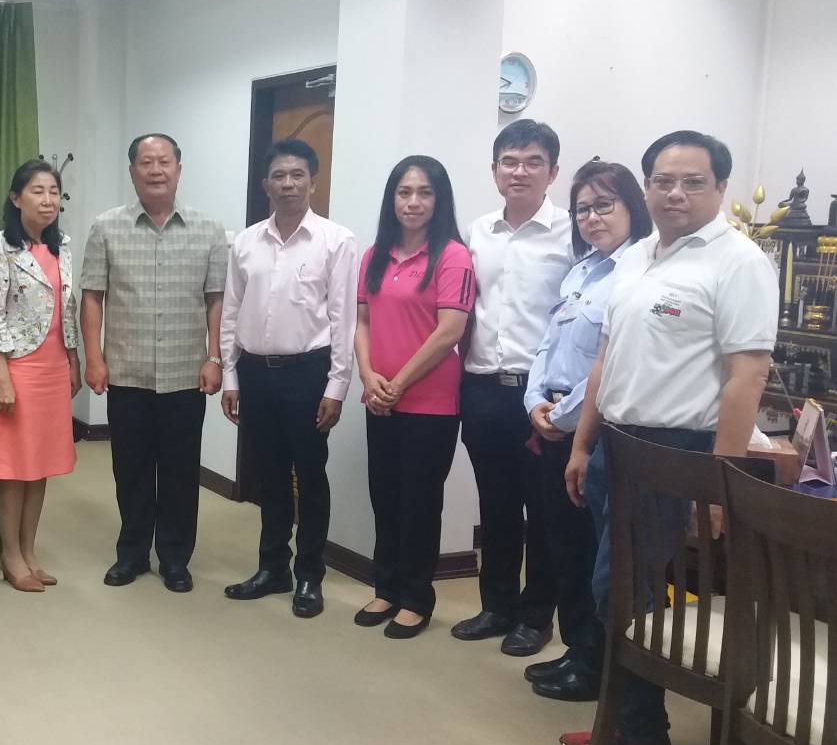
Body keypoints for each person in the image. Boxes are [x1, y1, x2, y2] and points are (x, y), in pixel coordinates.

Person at [553, 130, 777, 745]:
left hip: (676, 453)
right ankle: (628, 723)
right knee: (625, 591)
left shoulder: (738, 262)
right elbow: (606, 357)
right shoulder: (636, 257)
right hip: (616, 446)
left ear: (720, 187)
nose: (676, 193)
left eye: (693, 182)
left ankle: (641, 738)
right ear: (646, 187)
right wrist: (582, 443)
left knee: (619, 592)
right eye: (663, 181)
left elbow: (747, 376)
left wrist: (718, 483)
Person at [520, 160, 651, 703]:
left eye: (603, 205)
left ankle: (597, 663)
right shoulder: (581, 272)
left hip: (594, 432)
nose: (592, 218)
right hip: (554, 422)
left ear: (631, 207)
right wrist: (534, 402)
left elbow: (610, 362)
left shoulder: (638, 272)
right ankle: (577, 649)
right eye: (582, 209)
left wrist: (565, 419)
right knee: (563, 547)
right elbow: (547, 346)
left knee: (595, 552)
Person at [82, 133, 228, 593]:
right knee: (131, 469)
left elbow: (217, 300)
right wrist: (94, 358)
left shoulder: (209, 230)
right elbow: (92, 297)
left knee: (181, 471)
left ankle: (175, 558)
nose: (156, 170)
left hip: (186, 372)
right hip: (128, 371)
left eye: (164, 161)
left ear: (179, 170)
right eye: (146, 162)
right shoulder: (106, 227)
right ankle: (131, 553)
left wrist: (214, 357)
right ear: (132, 172)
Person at [219, 139, 357, 618]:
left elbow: (343, 319)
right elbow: (231, 311)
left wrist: (337, 386)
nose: (288, 183)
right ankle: (272, 566)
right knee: (270, 475)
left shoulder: (336, 241)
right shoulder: (245, 242)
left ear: (313, 182)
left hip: (308, 374)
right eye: (279, 175)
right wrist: (231, 375)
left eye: (298, 175)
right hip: (256, 373)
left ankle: (309, 575)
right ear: (266, 185)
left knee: (310, 476)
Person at [452, 119, 573, 657]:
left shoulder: (571, 232)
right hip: (482, 387)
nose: (519, 171)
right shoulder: (477, 232)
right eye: (510, 161)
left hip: (542, 396)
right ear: (495, 169)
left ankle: (535, 615)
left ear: (553, 171)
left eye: (532, 162)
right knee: (496, 503)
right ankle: (496, 605)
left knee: (543, 509)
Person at [353, 156, 475, 639]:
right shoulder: (374, 255)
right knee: (384, 496)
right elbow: (362, 322)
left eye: (424, 192)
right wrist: (368, 376)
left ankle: (416, 598)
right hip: (379, 397)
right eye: (404, 192)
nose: (413, 202)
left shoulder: (453, 256)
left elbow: (450, 331)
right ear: (392, 199)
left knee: (420, 502)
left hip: (431, 404)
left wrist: (398, 382)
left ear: (439, 200)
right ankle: (386, 587)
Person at [0, 160, 80, 592]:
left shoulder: (63, 246)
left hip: (55, 366)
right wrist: (1, 376)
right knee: (13, 465)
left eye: (54, 191)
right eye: (37, 191)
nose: (47, 200)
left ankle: (29, 549)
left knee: (40, 464)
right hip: (17, 367)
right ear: (15, 198)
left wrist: (74, 358)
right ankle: (9, 555)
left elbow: (68, 308)